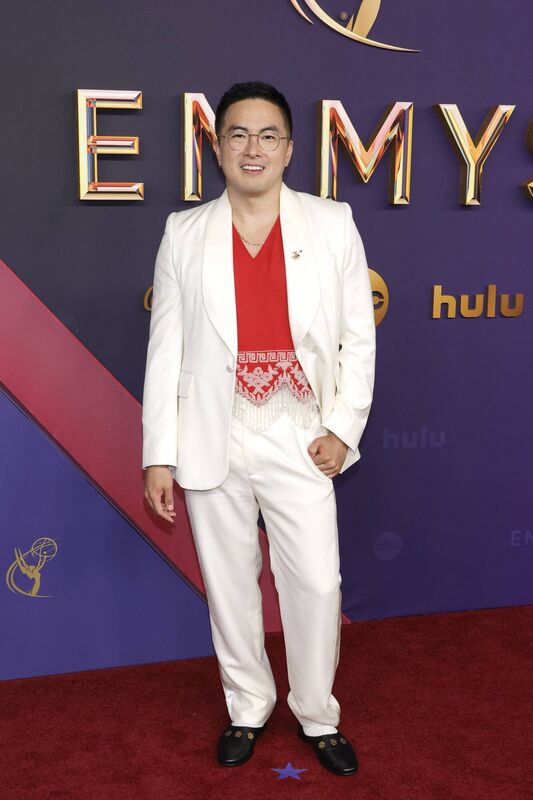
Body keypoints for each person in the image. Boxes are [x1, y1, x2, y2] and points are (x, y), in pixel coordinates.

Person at [142, 81, 376, 777]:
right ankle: (247, 705)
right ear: (217, 148)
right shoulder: (183, 232)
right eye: (238, 134)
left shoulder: (330, 222)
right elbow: (166, 350)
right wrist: (159, 453)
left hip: (298, 430)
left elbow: (356, 340)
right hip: (211, 431)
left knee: (316, 583)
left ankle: (316, 712)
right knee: (230, 583)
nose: (253, 148)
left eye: (267, 135)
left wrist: (341, 425)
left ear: (289, 149)